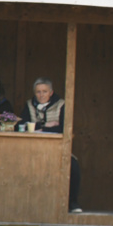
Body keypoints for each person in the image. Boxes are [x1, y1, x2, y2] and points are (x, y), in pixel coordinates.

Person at [19, 77, 82, 212]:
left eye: (44, 91)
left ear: (51, 93)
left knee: (73, 166)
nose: (41, 95)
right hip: (33, 148)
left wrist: (40, 128)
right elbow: (22, 125)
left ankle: (72, 203)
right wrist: (45, 125)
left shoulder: (61, 104)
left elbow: (64, 128)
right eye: (38, 92)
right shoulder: (29, 105)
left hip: (57, 149)